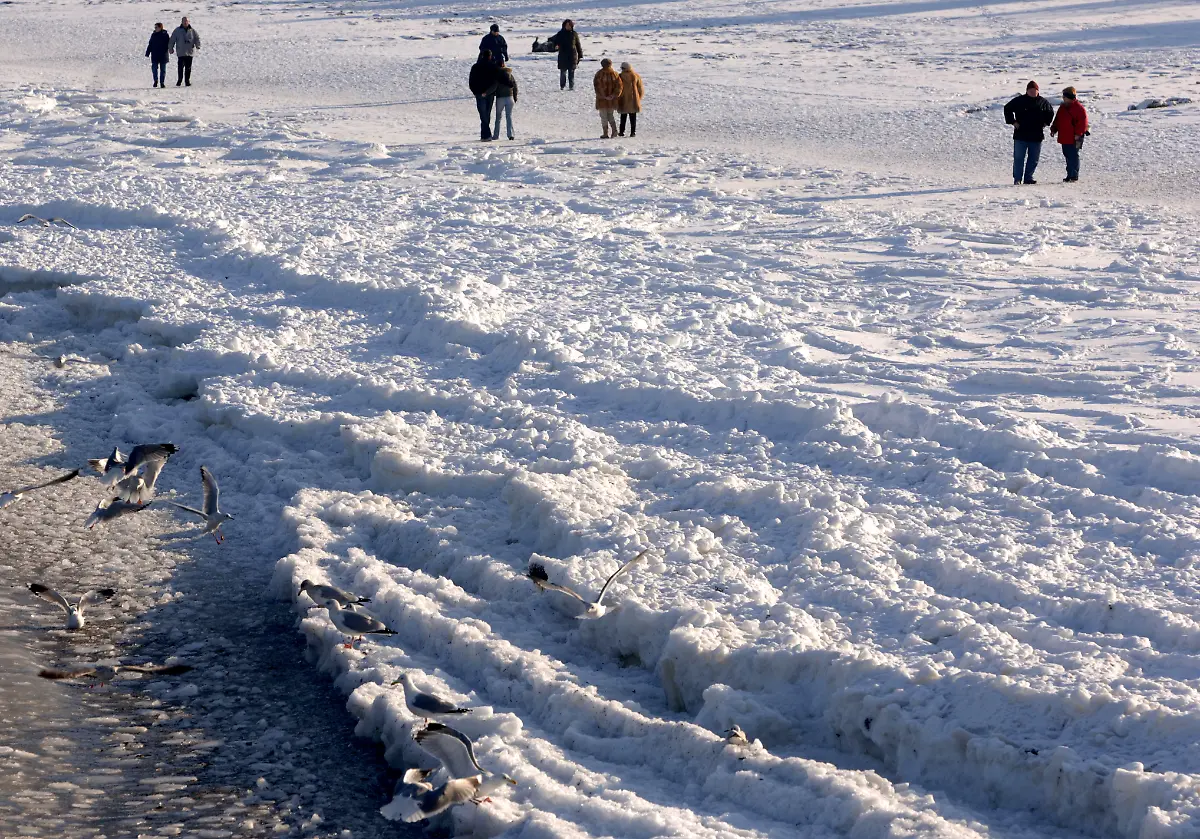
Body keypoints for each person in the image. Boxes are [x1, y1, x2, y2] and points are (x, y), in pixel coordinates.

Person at [1003, 81, 1053, 185]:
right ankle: (1017, 178)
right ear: (1027, 91)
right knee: (1019, 158)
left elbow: (1050, 113)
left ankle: (1028, 178)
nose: (1033, 92)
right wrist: (1013, 121)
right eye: (1030, 90)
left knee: (1033, 159)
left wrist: (1045, 123)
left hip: (1036, 136)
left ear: (1038, 91)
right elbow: (1007, 108)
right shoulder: (1019, 100)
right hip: (1021, 135)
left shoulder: (1043, 102)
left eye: (1035, 90)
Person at [1050, 86, 1089, 183]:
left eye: (1065, 97)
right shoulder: (1063, 107)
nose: (1063, 99)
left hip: (1075, 137)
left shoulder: (1079, 108)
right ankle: (1069, 175)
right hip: (1065, 136)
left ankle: (1073, 175)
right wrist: (1054, 129)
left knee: (1073, 155)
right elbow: (1058, 119)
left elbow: (1083, 123)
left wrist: (1078, 134)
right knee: (1067, 155)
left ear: (1070, 97)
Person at [469, 50, 499, 141]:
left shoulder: (475, 67)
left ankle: (485, 135)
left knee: (483, 115)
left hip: (479, 93)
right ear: (490, 56)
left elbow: (471, 82)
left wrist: (476, 92)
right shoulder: (493, 67)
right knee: (487, 114)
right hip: (489, 94)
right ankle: (486, 135)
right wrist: (488, 91)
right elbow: (496, 82)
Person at [549, 20, 582, 91]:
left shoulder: (574, 34)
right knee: (563, 72)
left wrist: (580, 55)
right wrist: (556, 46)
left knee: (571, 72)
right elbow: (555, 42)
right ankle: (562, 86)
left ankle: (571, 86)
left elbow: (578, 45)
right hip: (563, 55)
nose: (568, 27)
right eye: (566, 25)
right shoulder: (560, 33)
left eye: (569, 25)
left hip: (572, 55)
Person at [594, 58, 622, 139]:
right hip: (612, 100)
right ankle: (614, 131)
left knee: (603, 116)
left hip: (602, 100)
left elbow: (597, 86)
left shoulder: (599, 74)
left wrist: (603, 96)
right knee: (610, 115)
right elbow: (619, 86)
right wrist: (613, 95)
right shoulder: (615, 74)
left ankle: (605, 133)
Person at [168, 16, 201, 87]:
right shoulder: (177, 30)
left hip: (189, 52)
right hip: (181, 52)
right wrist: (170, 48)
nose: (185, 22)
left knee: (188, 68)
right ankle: (179, 80)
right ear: (181, 22)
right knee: (180, 67)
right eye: (184, 21)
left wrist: (198, 45)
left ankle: (187, 81)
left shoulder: (192, 30)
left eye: (186, 21)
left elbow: (197, 38)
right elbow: (172, 40)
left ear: (188, 22)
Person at [492, 60, 518, 141]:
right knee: (509, 116)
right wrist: (515, 97)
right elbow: (515, 86)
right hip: (510, 97)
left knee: (498, 117)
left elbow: (494, 87)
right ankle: (510, 135)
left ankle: (496, 135)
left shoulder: (496, 75)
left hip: (500, 98)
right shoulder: (510, 74)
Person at [617, 62, 643, 137]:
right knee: (633, 117)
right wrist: (639, 97)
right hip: (633, 99)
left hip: (623, 98)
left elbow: (618, 87)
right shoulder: (636, 76)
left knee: (623, 117)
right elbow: (640, 88)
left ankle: (621, 131)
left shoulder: (620, 76)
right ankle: (633, 132)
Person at [146, 22, 170, 88]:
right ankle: (155, 81)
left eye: (156, 27)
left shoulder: (165, 35)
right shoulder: (153, 35)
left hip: (163, 54)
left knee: (163, 70)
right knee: (154, 68)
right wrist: (147, 52)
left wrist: (170, 49)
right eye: (155, 27)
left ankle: (162, 82)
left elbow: (169, 44)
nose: (155, 29)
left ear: (160, 27)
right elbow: (150, 44)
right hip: (155, 54)